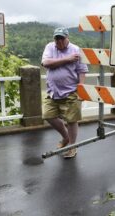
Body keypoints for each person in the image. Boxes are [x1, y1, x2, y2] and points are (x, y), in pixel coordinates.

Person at [41, 27, 88, 159]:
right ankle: (66, 137)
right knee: (47, 115)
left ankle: (72, 147)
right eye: (57, 38)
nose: (59, 41)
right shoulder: (50, 47)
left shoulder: (76, 50)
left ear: (67, 38)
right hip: (52, 91)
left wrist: (81, 89)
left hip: (71, 91)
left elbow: (82, 70)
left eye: (61, 38)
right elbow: (46, 63)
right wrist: (67, 59)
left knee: (72, 120)